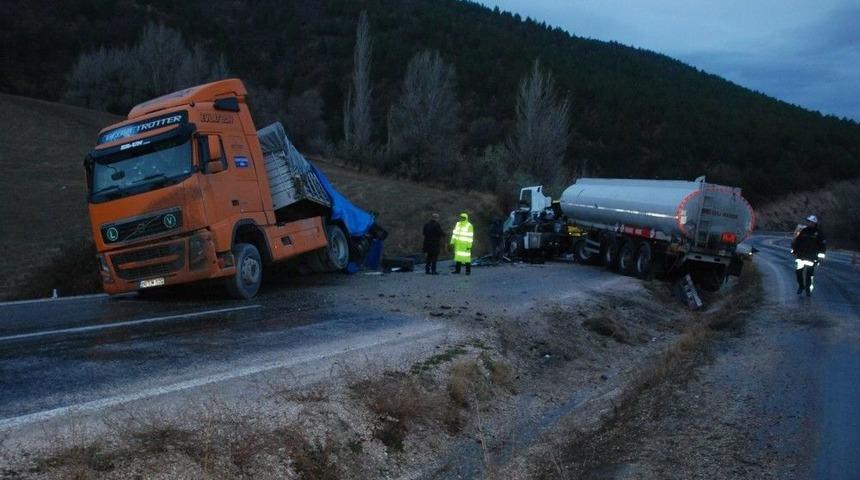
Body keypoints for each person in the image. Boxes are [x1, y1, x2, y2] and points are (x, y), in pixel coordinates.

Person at [791, 214, 827, 296]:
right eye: (808, 221)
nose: (809, 223)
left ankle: (808, 289)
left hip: (812, 257)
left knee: (809, 274)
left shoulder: (818, 233)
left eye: (810, 222)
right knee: (798, 272)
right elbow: (797, 241)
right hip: (801, 256)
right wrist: (794, 250)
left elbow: (823, 245)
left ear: (814, 223)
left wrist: (819, 257)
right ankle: (801, 286)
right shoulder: (804, 231)